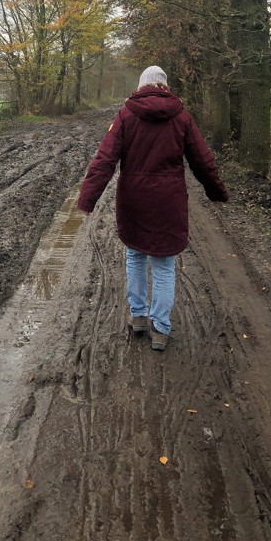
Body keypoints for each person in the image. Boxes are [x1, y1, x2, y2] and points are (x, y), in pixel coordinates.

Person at [77, 66, 228, 351]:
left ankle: (138, 316)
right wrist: (216, 190)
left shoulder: (126, 115)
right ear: (165, 86)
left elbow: (105, 159)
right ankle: (160, 328)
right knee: (164, 263)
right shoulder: (181, 117)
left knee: (135, 255)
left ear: (141, 86)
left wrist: (88, 198)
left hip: (133, 199)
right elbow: (203, 159)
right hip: (168, 202)